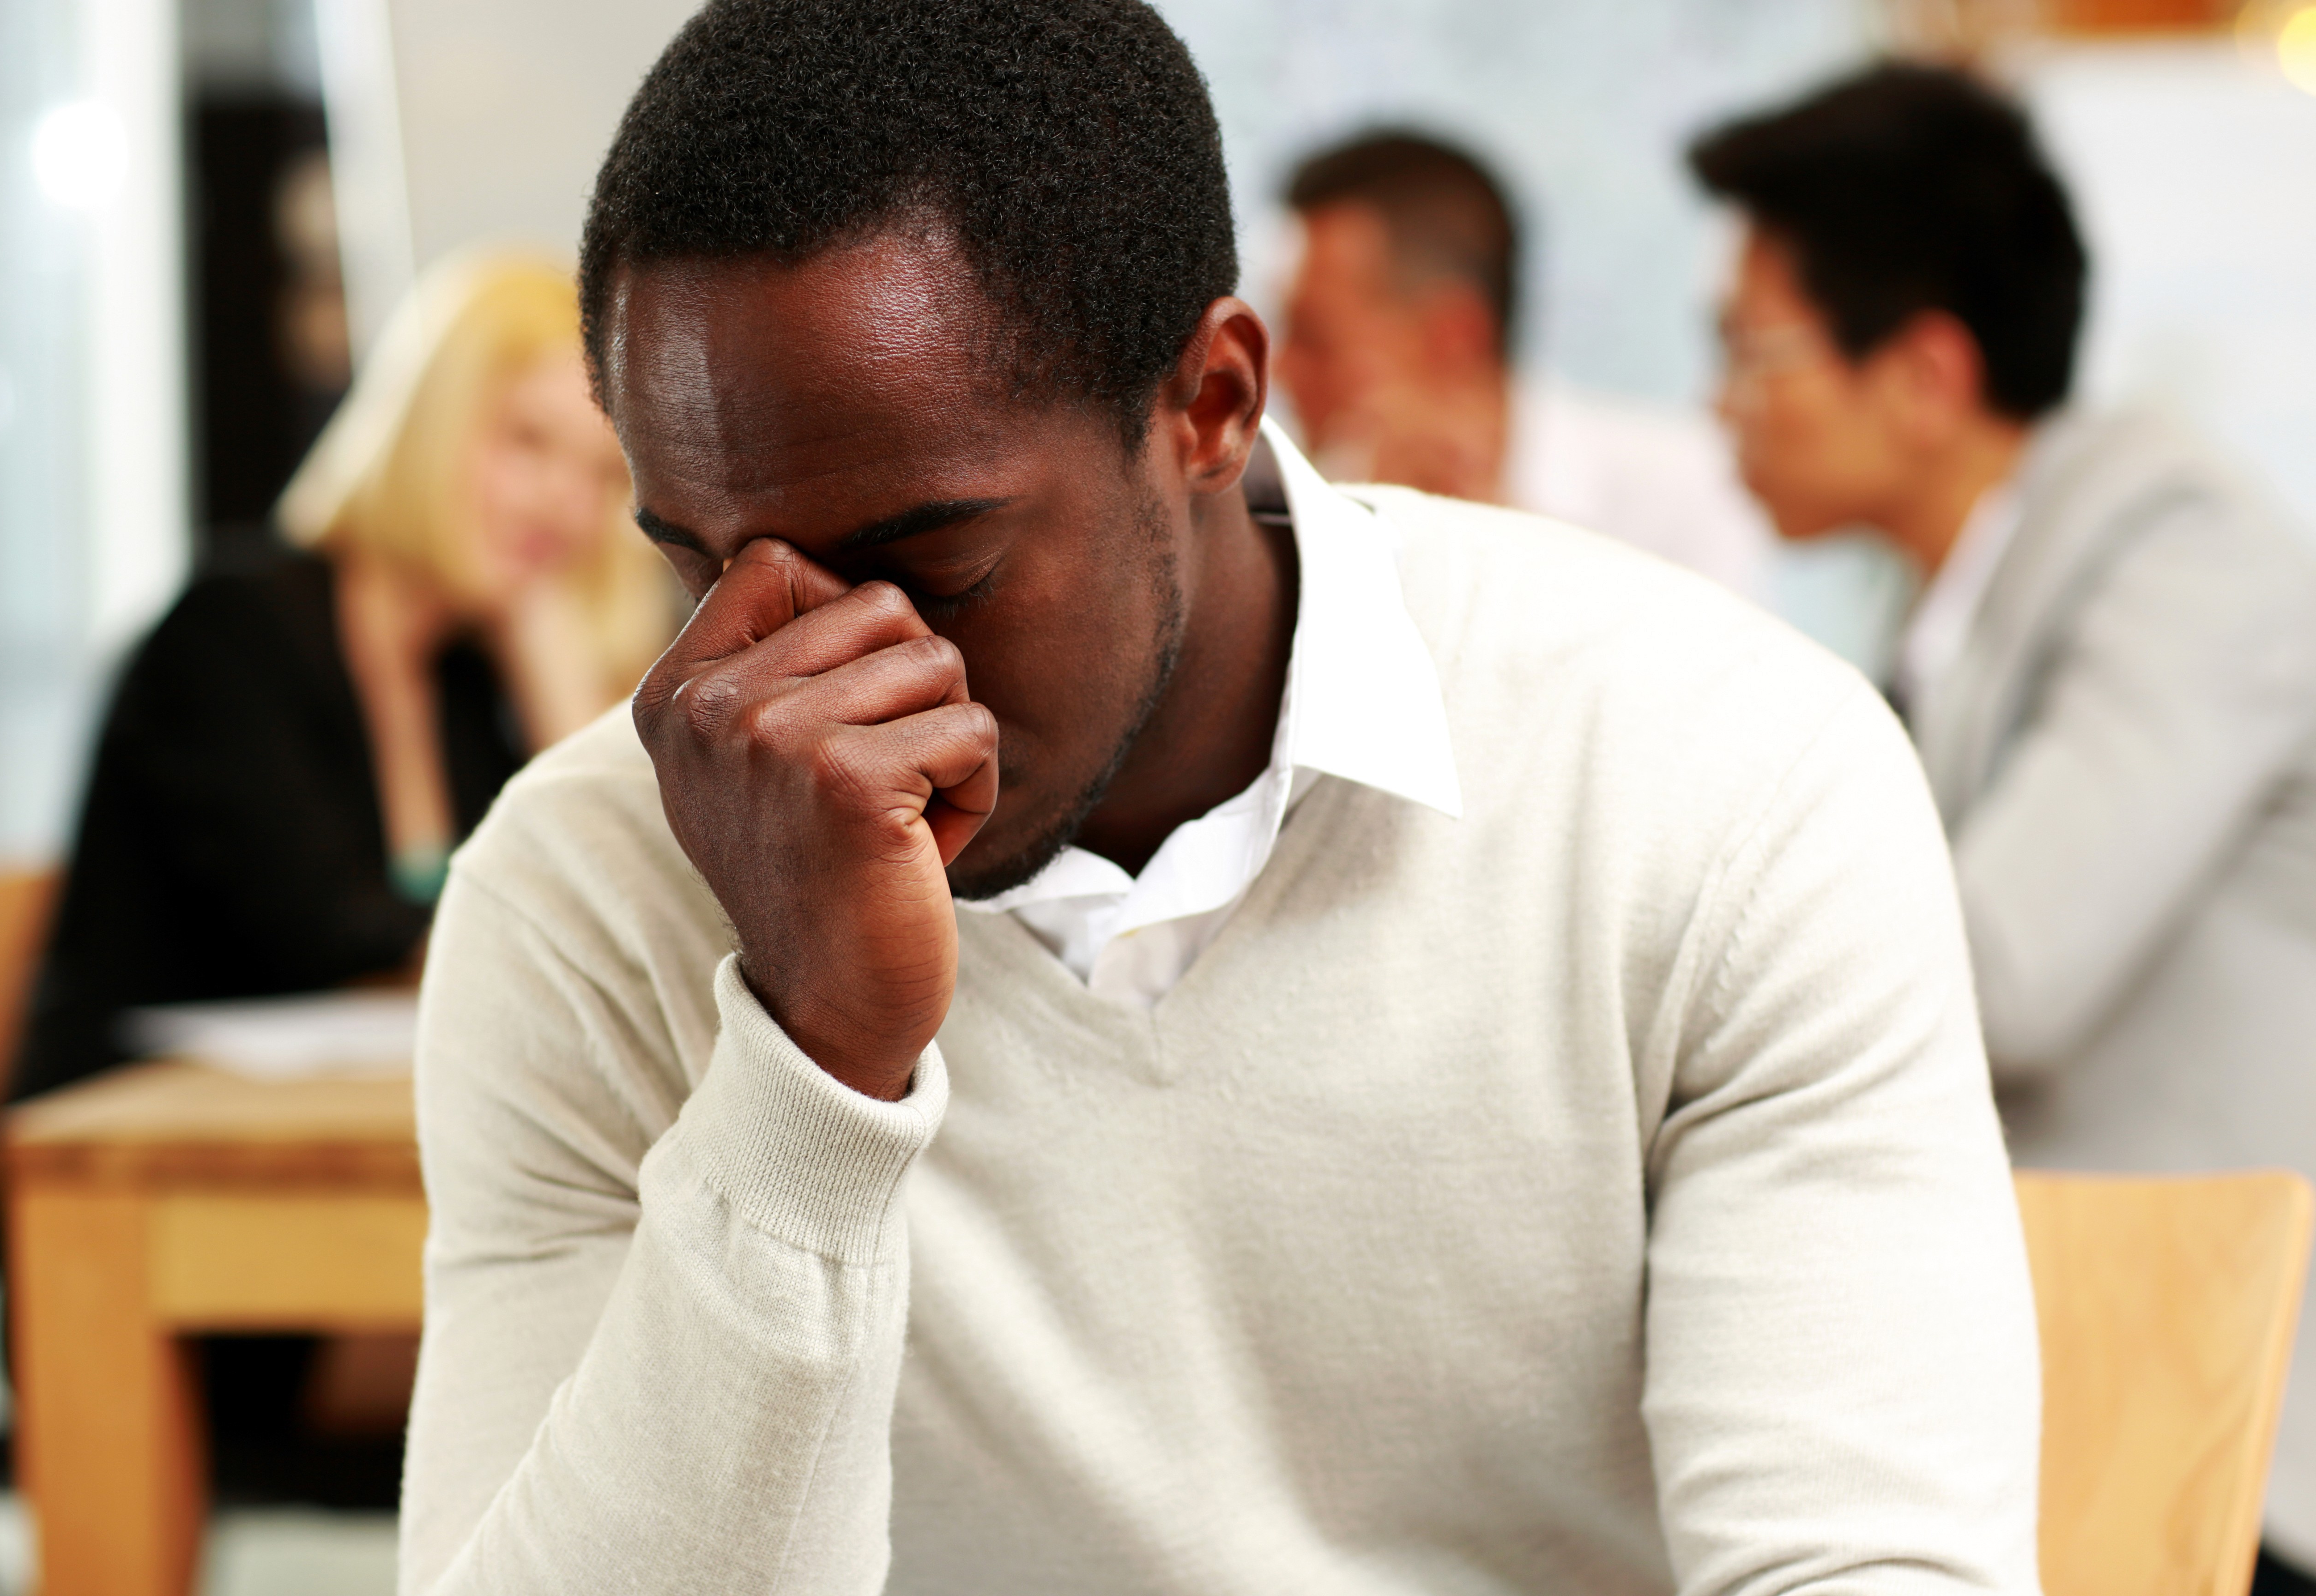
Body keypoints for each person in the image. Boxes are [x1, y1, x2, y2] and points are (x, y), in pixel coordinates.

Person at [399, 5, 2042, 1592]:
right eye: (701, 563)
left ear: (1213, 403)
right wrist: (813, 1069)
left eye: (931, 562)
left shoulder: (1719, 786)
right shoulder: (587, 891)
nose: (794, 689)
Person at [1692, 63, 2316, 1593]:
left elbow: (2006, 969)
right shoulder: (1953, 603)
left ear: (1922, 369)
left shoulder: (2187, 559)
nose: (1721, 403)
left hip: (2222, 1439)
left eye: (1751, 351)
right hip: (2057, 1394)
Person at [11, 252, 670, 1102]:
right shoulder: (231, 630)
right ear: (430, 422)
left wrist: (554, 678)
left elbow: (606, 916)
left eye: (602, 474)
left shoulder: (466, 677)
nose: (566, 507)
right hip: (126, 1147)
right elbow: (325, 931)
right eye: (526, 442)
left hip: (339, 1124)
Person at [1276, 131, 1775, 600]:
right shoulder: (1307, 514)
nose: (1278, 369)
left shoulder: (1683, 491)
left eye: (1315, 340)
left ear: (1452, 339)